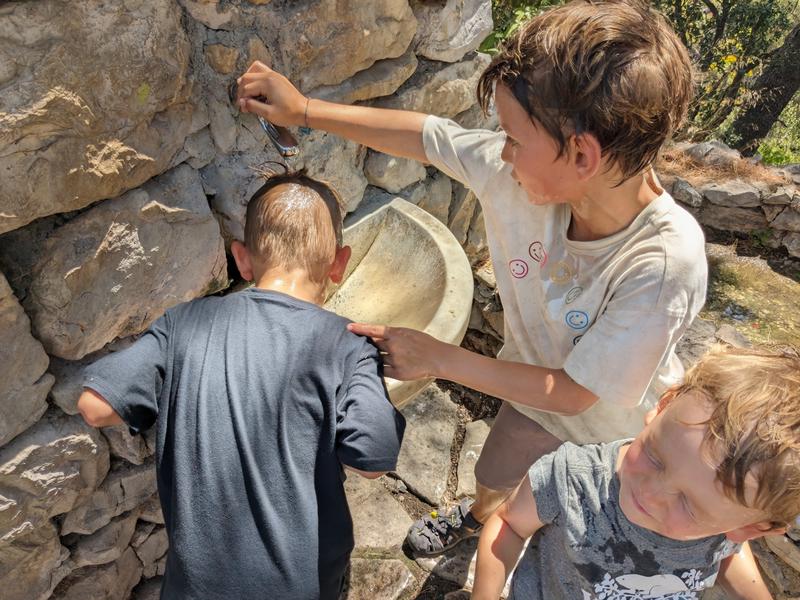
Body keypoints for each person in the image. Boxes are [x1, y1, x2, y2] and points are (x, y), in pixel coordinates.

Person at [234, 0, 705, 556]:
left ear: (582, 154)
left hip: (616, 438)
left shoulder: (664, 262)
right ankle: (479, 515)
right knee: (494, 475)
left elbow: (578, 392)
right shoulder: (524, 176)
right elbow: (430, 137)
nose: (500, 152)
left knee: (570, 546)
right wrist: (305, 110)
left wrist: (439, 358)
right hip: (530, 394)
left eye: (512, 136)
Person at [76, 173, 406, 600]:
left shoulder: (184, 324)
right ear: (339, 264)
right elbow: (372, 459)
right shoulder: (349, 344)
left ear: (243, 260)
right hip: (301, 585)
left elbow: (94, 406)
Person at [472, 345, 798, 599]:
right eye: (655, 457)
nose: (651, 492)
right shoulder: (572, 479)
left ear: (749, 527)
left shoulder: (727, 525)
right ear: (664, 405)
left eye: (689, 505)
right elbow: (509, 524)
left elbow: (726, 551)